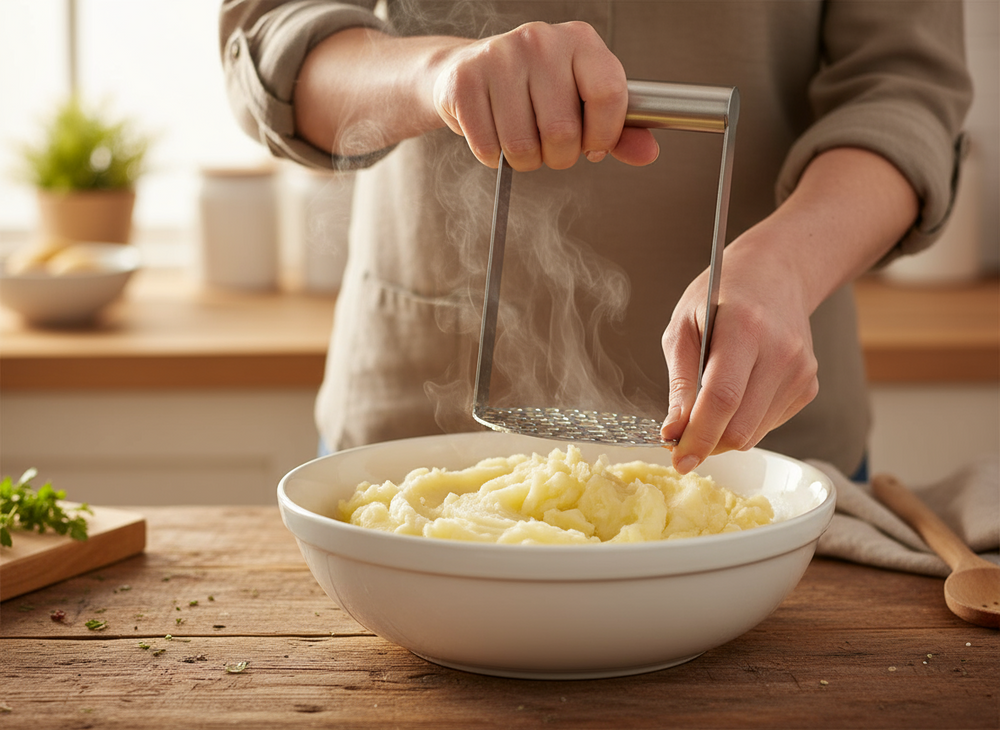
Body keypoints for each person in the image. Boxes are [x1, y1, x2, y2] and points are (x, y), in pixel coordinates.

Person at [219, 1, 971, 478]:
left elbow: (906, 89)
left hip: (766, 441)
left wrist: (787, 263)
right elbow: (272, 34)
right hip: (408, 430)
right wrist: (438, 74)